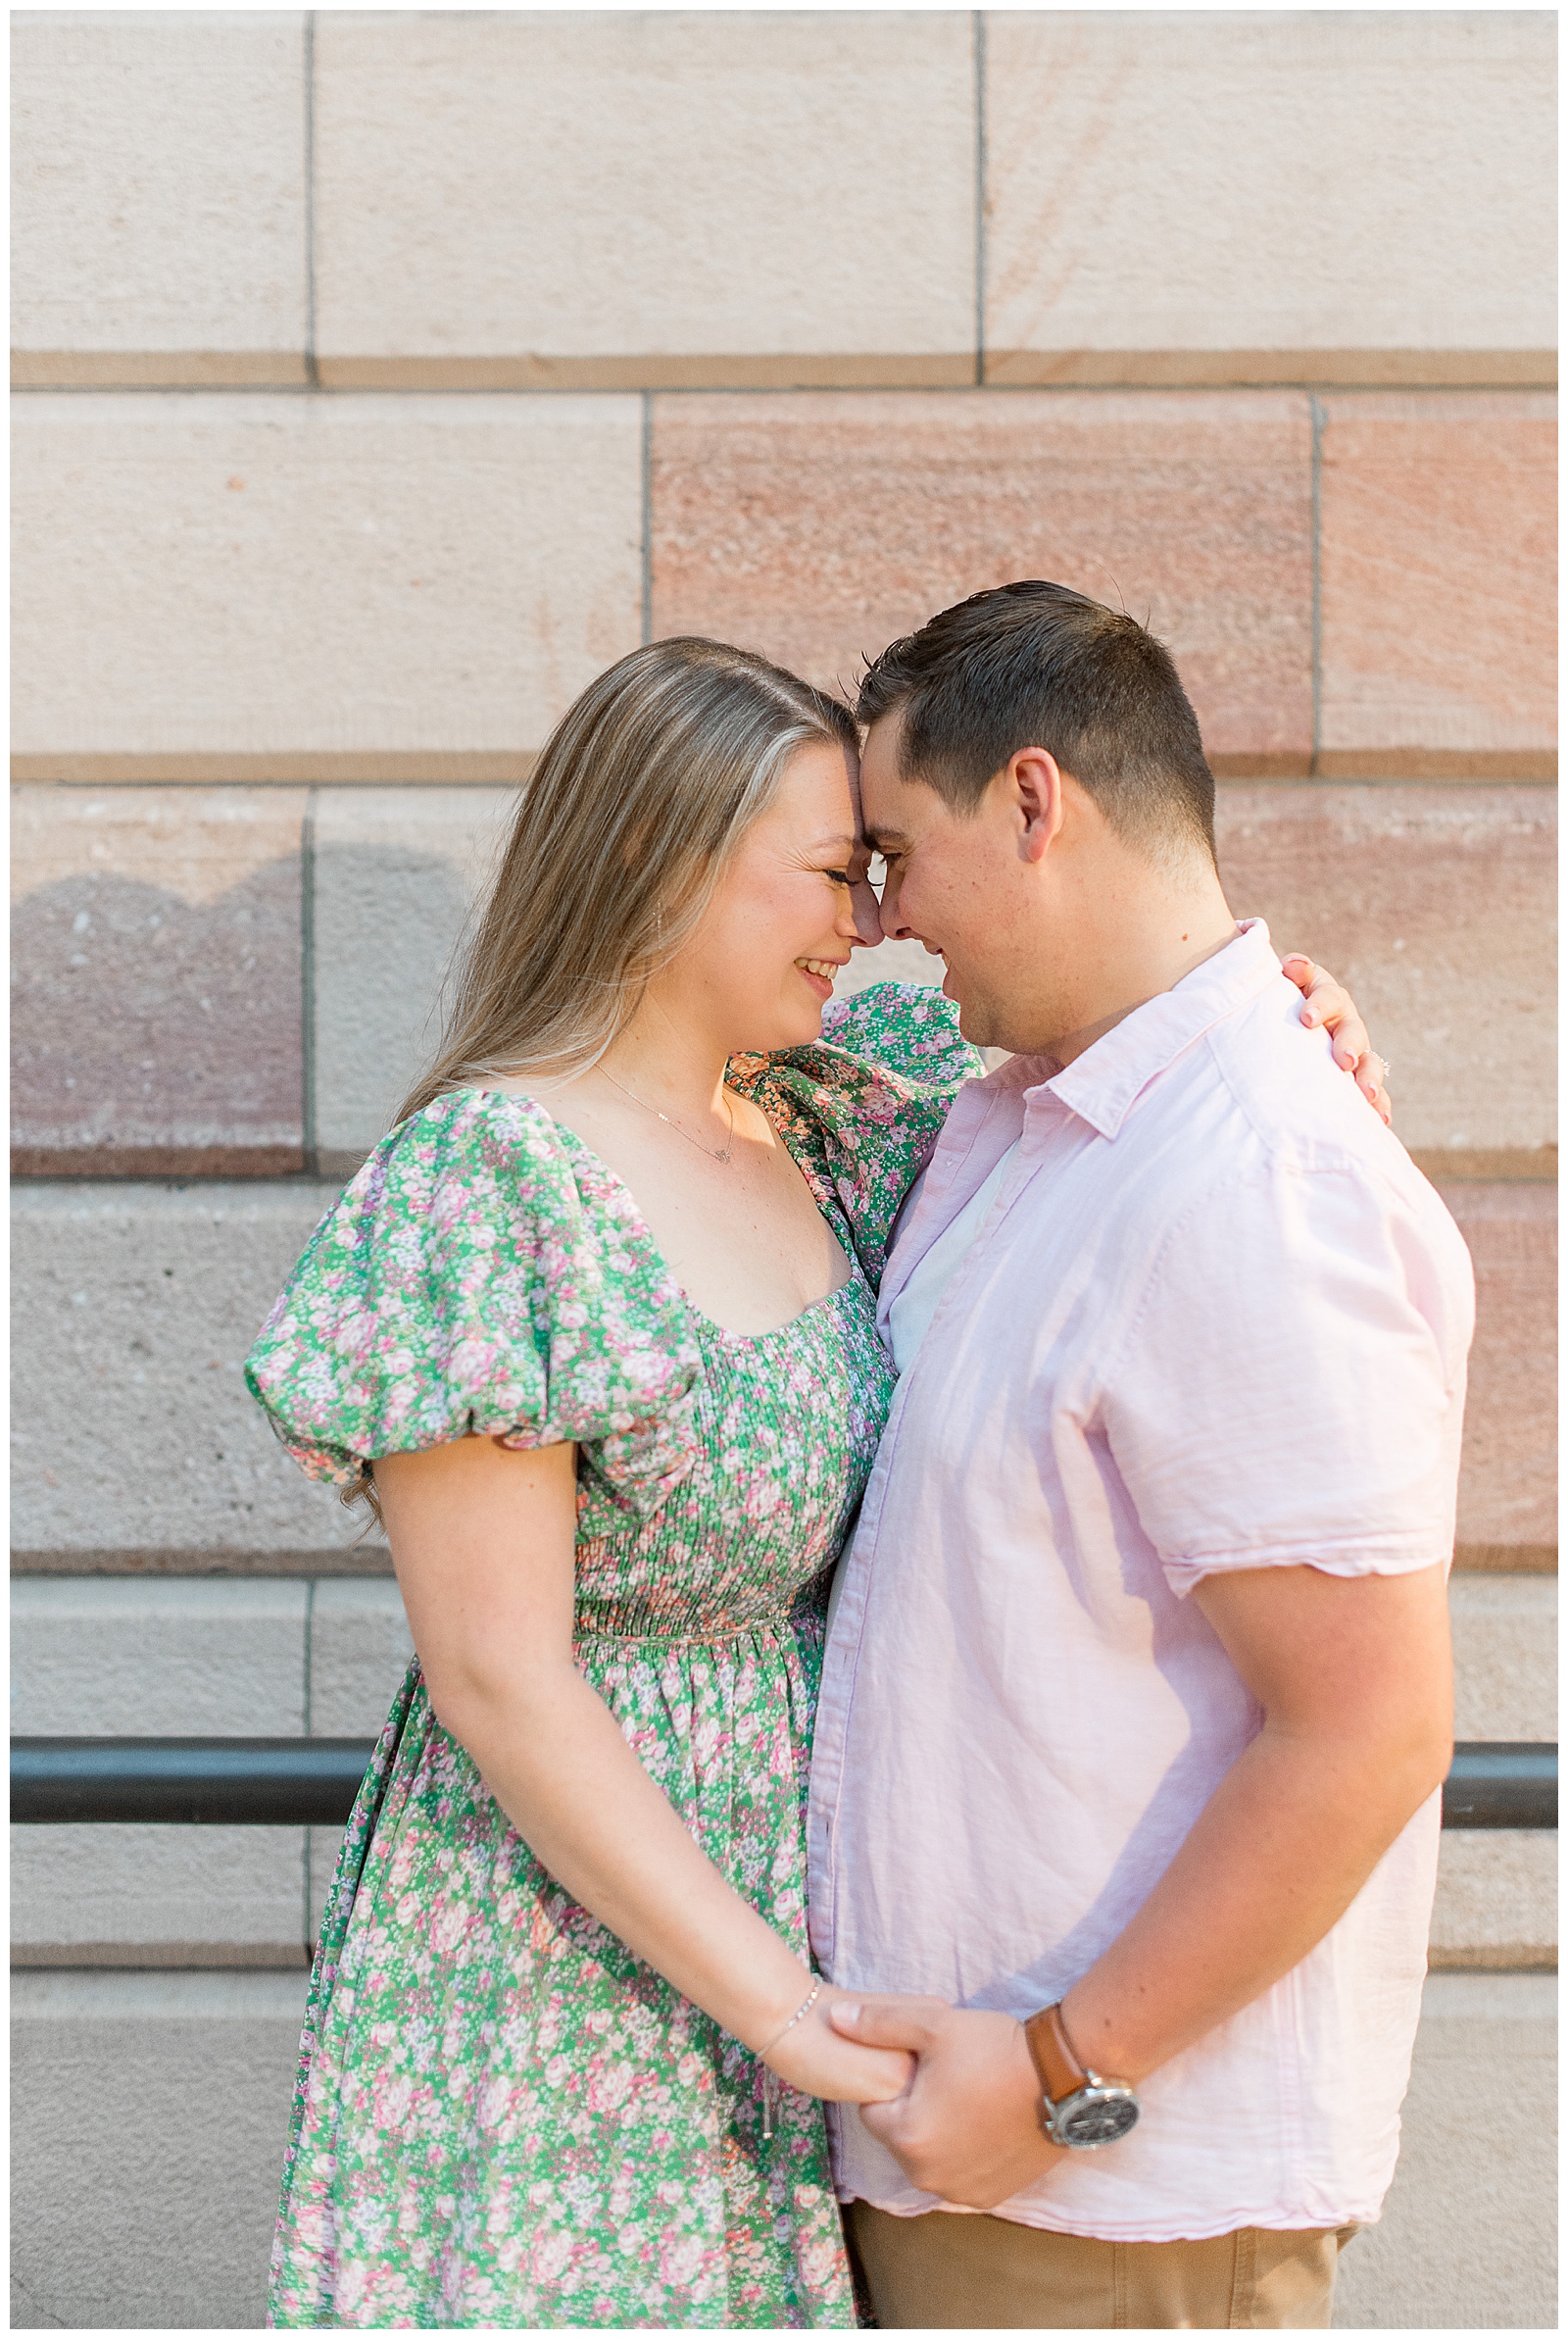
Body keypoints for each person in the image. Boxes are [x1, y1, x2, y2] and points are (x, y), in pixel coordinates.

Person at [245, 633, 1386, 2329]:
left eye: (876, 870)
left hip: (801, 1959)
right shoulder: (493, 1178)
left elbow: (1129, 1052)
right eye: (833, 874)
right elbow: (498, 1675)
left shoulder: (839, 1123)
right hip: (568, 1966)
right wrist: (781, 2011)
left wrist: (1307, 1026)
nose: (868, 926)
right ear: (652, 860)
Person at [807, 581, 1474, 2331]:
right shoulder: (1028, 1123)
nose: (876, 917)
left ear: (1033, 802)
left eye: (892, 851)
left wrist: (1050, 2073)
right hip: (981, 2167)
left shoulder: (1255, 1174)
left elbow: (1372, 1721)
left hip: (1106, 2194)